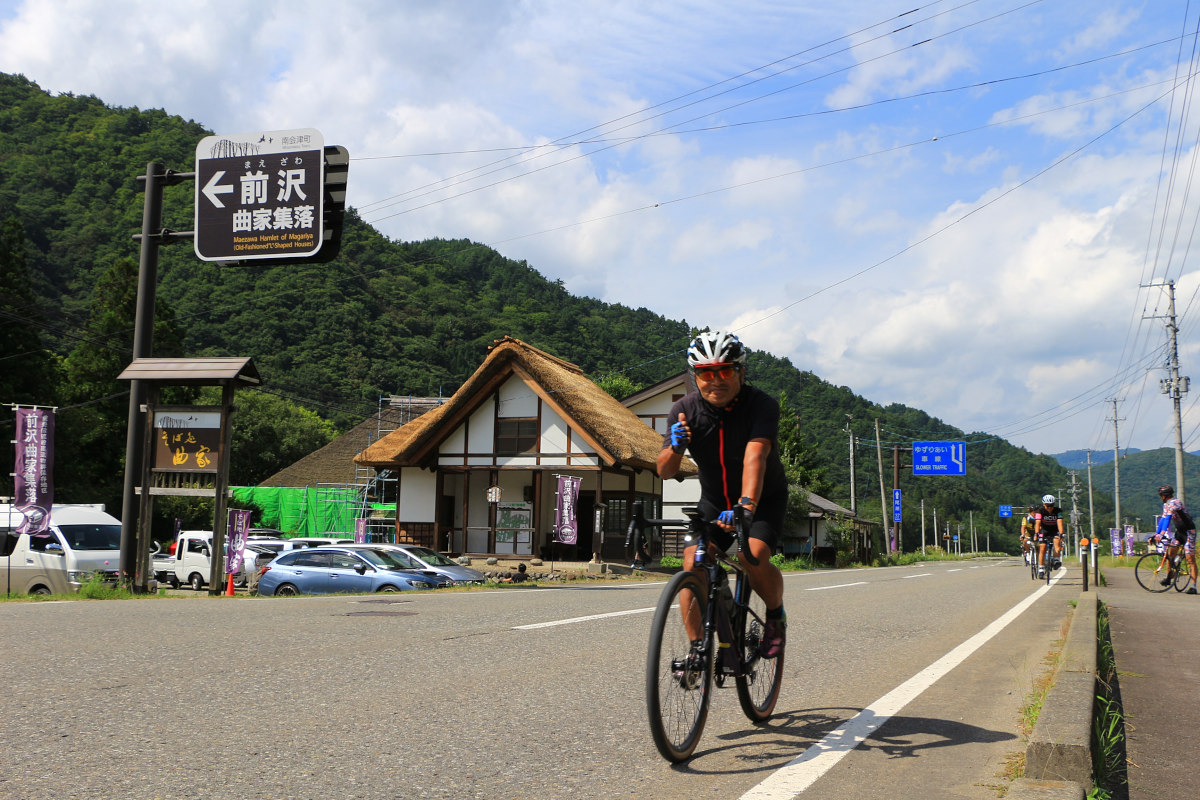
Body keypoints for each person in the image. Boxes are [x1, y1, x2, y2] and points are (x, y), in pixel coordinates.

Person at [656, 330, 788, 658]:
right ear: (695, 376)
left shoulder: (762, 405)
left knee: (750, 555)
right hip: (715, 502)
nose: (716, 380)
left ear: (741, 373)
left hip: (762, 499)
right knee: (693, 564)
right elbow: (665, 471)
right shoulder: (685, 411)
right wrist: (675, 447)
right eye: (705, 373)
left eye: (725, 371)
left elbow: (754, 456)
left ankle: (775, 615)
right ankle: (698, 650)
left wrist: (746, 506)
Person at [1155, 485, 1198, 594]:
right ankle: (1169, 578)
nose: (1160, 498)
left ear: (1165, 496)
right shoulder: (1166, 505)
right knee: (1171, 554)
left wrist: (1162, 534)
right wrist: (1156, 533)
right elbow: (1163, 519)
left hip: (1189, 532)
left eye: (1161, 495)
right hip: (1179, 532)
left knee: (1190, 559)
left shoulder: (1175, 503)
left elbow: (1168, 519)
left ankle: (1194, 586)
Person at [1031, 494, 1063, 577]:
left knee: (1057, 541)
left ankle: (1056, 560)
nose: (1050, 508)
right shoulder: (1039, 511)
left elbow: (1060, 523)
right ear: (1044, 504)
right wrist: (1037, 533)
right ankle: (1041, 568)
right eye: (1048, 506)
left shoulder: (1058, 511)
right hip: (1044, 530)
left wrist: (1061, 533)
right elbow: (1037, 523)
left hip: (1054, 530)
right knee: (1042, 548)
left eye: (1051, 505)